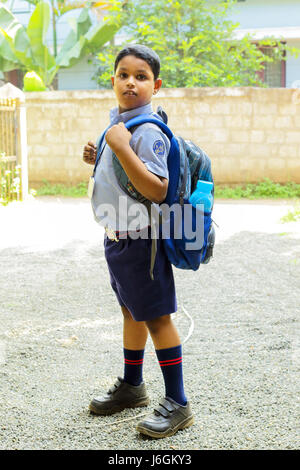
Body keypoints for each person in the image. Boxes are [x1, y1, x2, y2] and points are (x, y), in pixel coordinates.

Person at [82, 44, 194, 439]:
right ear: (112, 79)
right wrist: (103, 154)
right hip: (119, 240)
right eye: (124, 74)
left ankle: (178, 403)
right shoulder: (120, 122)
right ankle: (133, 386)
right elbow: (125, 174)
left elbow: (158, 189)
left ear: (156, 85)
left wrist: (120, 147)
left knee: (157, 318)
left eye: (141, 76)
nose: (131, 81)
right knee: (131, 312)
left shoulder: (145, 130)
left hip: (142, 240)